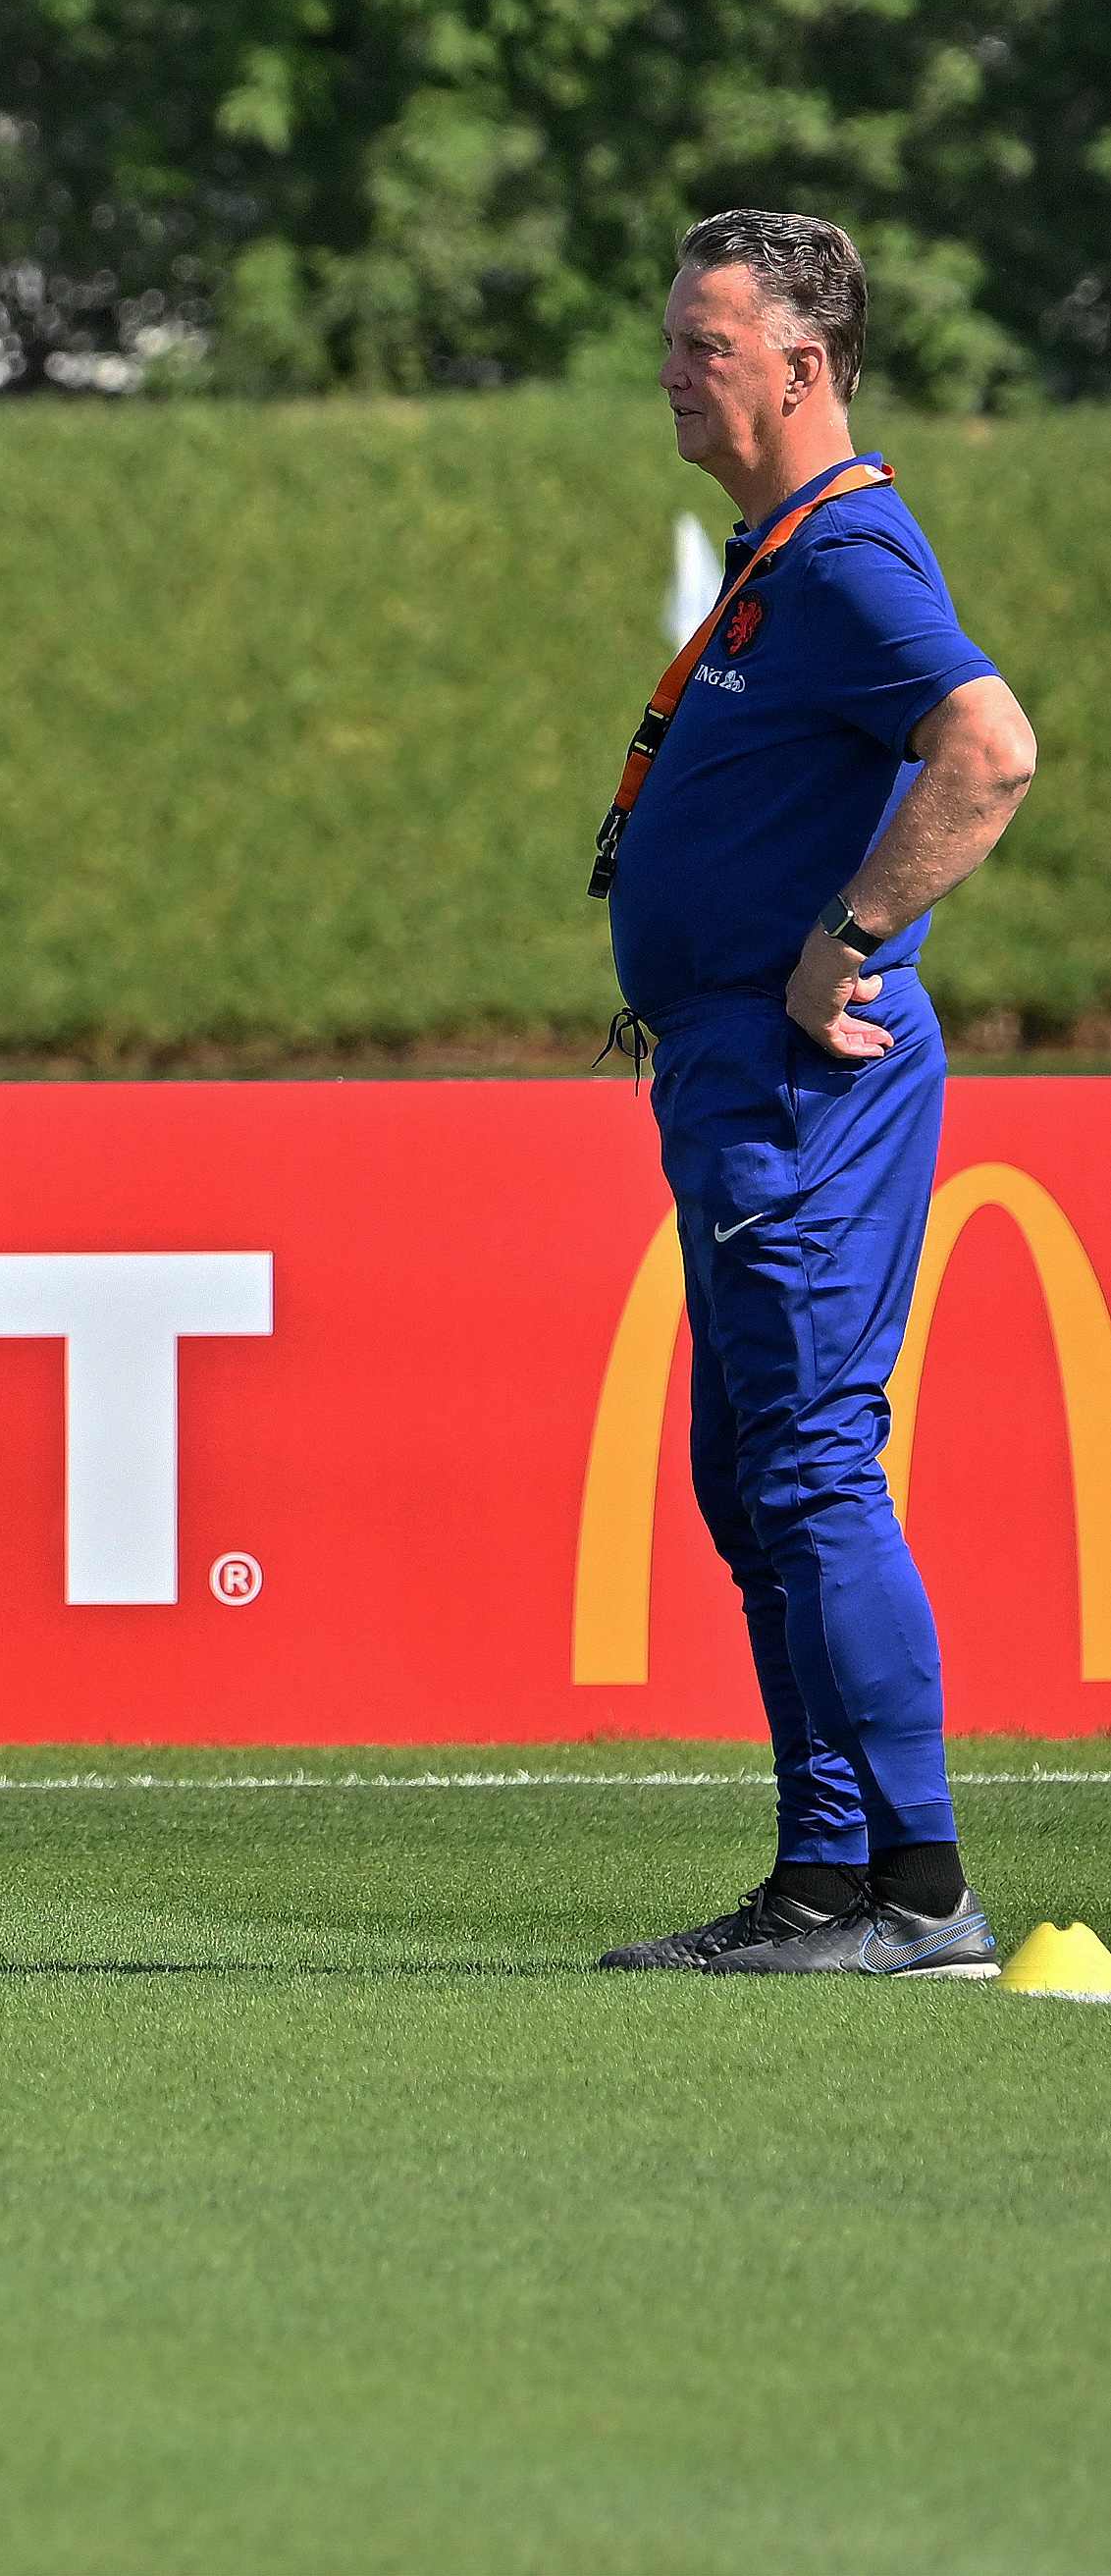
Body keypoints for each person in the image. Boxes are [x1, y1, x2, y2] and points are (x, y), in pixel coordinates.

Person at [594, 210, 1035, 1979]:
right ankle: (825, 1878)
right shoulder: (782, 557)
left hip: (797, 1077)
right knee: (747, 1468)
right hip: (731, 1072)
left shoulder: (846, 559)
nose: (672, 370)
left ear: (802, 365)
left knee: (803, 1460)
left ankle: (918, 1890)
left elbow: (988, 749)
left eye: (704, 341)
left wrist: (846, 930)